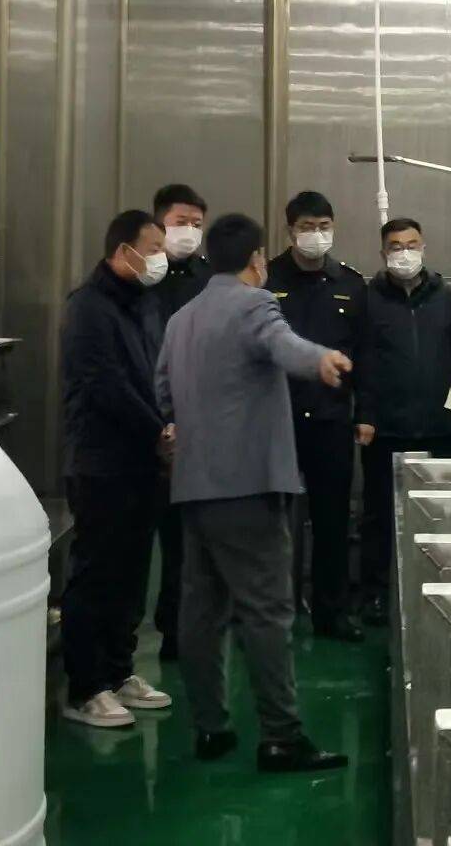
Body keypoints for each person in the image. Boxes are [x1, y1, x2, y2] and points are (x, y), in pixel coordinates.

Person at [156, 212, 352, 773]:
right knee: (266, 612)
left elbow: (163, 391)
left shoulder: (182, 319)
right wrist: (321, 360)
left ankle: (210, 727)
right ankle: (281, 736)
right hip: (248, 488)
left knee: (202, 612)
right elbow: (282, 344)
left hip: (194, 486)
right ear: (257, 260)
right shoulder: (254, 304)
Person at [61, 209, 174, 729]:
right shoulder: (87, 307)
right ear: (122, 250)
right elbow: (106, 384)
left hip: (142, 462)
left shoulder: (144, 304)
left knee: (131, 574)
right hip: (101, 462)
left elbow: (153, 374)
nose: (160, 258)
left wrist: (166, 423)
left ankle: (119, 670)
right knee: (97, 574)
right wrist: (158, 429)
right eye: (153, 248)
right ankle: (86, 687)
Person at [267, 190, 374, 643]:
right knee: (272, 522)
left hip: (331, 420)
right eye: (307, 227)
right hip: (278, 420)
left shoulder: (350, 283)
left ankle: (332, 613)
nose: (316, 235)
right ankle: (271, 613)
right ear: (290, 231)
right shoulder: (267, 279)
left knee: (333, 521)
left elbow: (365, 354)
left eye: (323, 226)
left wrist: (364, 413)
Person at [360, 217, 451, 626]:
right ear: (383, 252)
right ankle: (375, 595)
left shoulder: (446, 297)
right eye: (395, 246)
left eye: (411, 245)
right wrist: (365, 415)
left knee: (434, 514)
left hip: (436, 426)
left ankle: (433, 590)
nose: (404, 253)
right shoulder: (369, 298)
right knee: (379, 517)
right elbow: (363, 360)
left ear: (424, 247)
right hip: (385, 428)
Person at [150, 183, 212, 662]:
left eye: (196, 223)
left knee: (187, 542)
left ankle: (180, 632)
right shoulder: (141, 279)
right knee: (135, 543)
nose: (188, 231)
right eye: (179, 222)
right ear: (159, 224)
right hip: (143, 423)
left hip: (196, 428)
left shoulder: (210, 281)